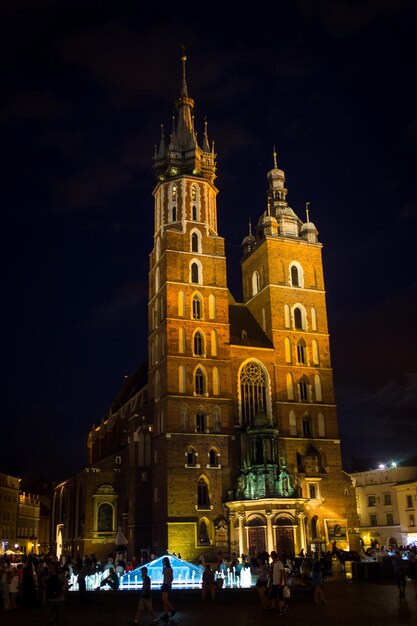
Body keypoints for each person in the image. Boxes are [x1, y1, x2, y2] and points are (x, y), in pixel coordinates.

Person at [269, 551, 288, 615]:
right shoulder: (273, 564)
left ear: (273, 556)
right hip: (275, 583)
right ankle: (275, 609)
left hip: (279, 583)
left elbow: (282, 574)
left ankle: (281, 609)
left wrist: (281, 583)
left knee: (279, 598)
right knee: (273, 597)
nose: (271, 558)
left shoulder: (279, 563)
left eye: (271, 556)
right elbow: (273, 574)